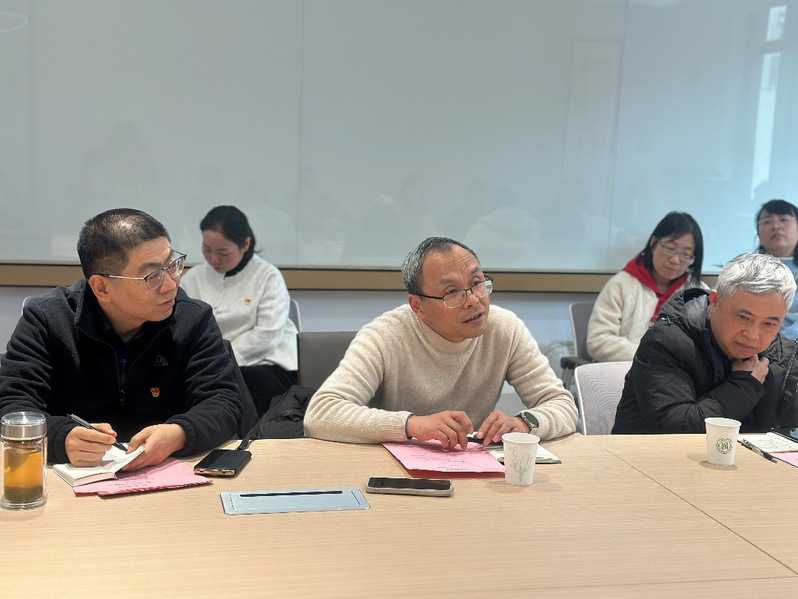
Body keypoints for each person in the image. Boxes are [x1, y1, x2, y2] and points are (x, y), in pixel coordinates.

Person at [0, 208, 257, 469]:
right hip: (72, 477)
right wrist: (61, 437)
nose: (171, 284)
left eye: (173, 265)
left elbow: (223, 402)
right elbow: (12, 405)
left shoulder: (193, 319)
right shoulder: (47, 319)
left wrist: (179, 433)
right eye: (153, 276)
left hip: (167, 472)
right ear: (102, 287)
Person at [304, 237, 578, 449]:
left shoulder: (505, 329)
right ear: (418, 306)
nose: (473, 300)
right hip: (395, 471)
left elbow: (561, 404)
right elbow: (321, 413)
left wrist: (526, 422)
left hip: (472, 466)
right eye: (452, 292)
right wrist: (411, 425)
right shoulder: (385, 336)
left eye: (477, 282)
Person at [612, 253, 798, 434]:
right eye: (743, 317)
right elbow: (676, 429)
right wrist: (745, 385)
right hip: (648, 454)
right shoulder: (666, 342)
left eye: (769, 324)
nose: (753, 335)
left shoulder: (781, 355)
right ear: (715, 301)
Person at [180, 206, 298, 416]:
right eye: (207, 249)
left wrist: (223, 361)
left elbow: (267, 336)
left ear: (245, 244)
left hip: (265, 363)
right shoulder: (193, 278)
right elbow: (183, 327)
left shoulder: (267, 276)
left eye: (223, 252)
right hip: (209, 365)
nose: (213, 259)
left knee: (232, 384)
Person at [587, 211, 706, 362]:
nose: (675, 260)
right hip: (625, 372)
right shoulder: (622, 285)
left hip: (679, 374)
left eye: (686, 255)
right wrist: (651, 355)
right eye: (670, 248)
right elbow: (598, 340)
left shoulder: (698, 294)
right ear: (653, 242)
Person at [755, 199, 798, 339]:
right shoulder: (745, 271)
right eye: (767, 222)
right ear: (759, 233)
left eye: (784, 219)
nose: (776, 226)